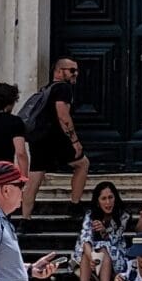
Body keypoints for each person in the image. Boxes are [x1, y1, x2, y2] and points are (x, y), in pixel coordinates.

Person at [20, 60, 90, 216]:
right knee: (83, 164)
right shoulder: (63, 88)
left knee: (34, 179)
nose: (75, 74)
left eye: (76, 70)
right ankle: (75, 205)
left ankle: (25, 219)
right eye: (72, 70)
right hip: (55, 138)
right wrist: (74, 141)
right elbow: (63, 115)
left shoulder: (46, 89)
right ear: (59, 71)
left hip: (38, 139)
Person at [76, 182, 129, 281]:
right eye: (104, 199)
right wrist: (91, 257)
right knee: (86, 251)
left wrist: (105, 232)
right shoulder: (91, 215)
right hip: (92, 256)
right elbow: (85, 238)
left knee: (104, 248)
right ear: (98, 201)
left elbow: (116, 239)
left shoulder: (123, 215)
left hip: (116, 256)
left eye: (110, 197)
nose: (108, 202)